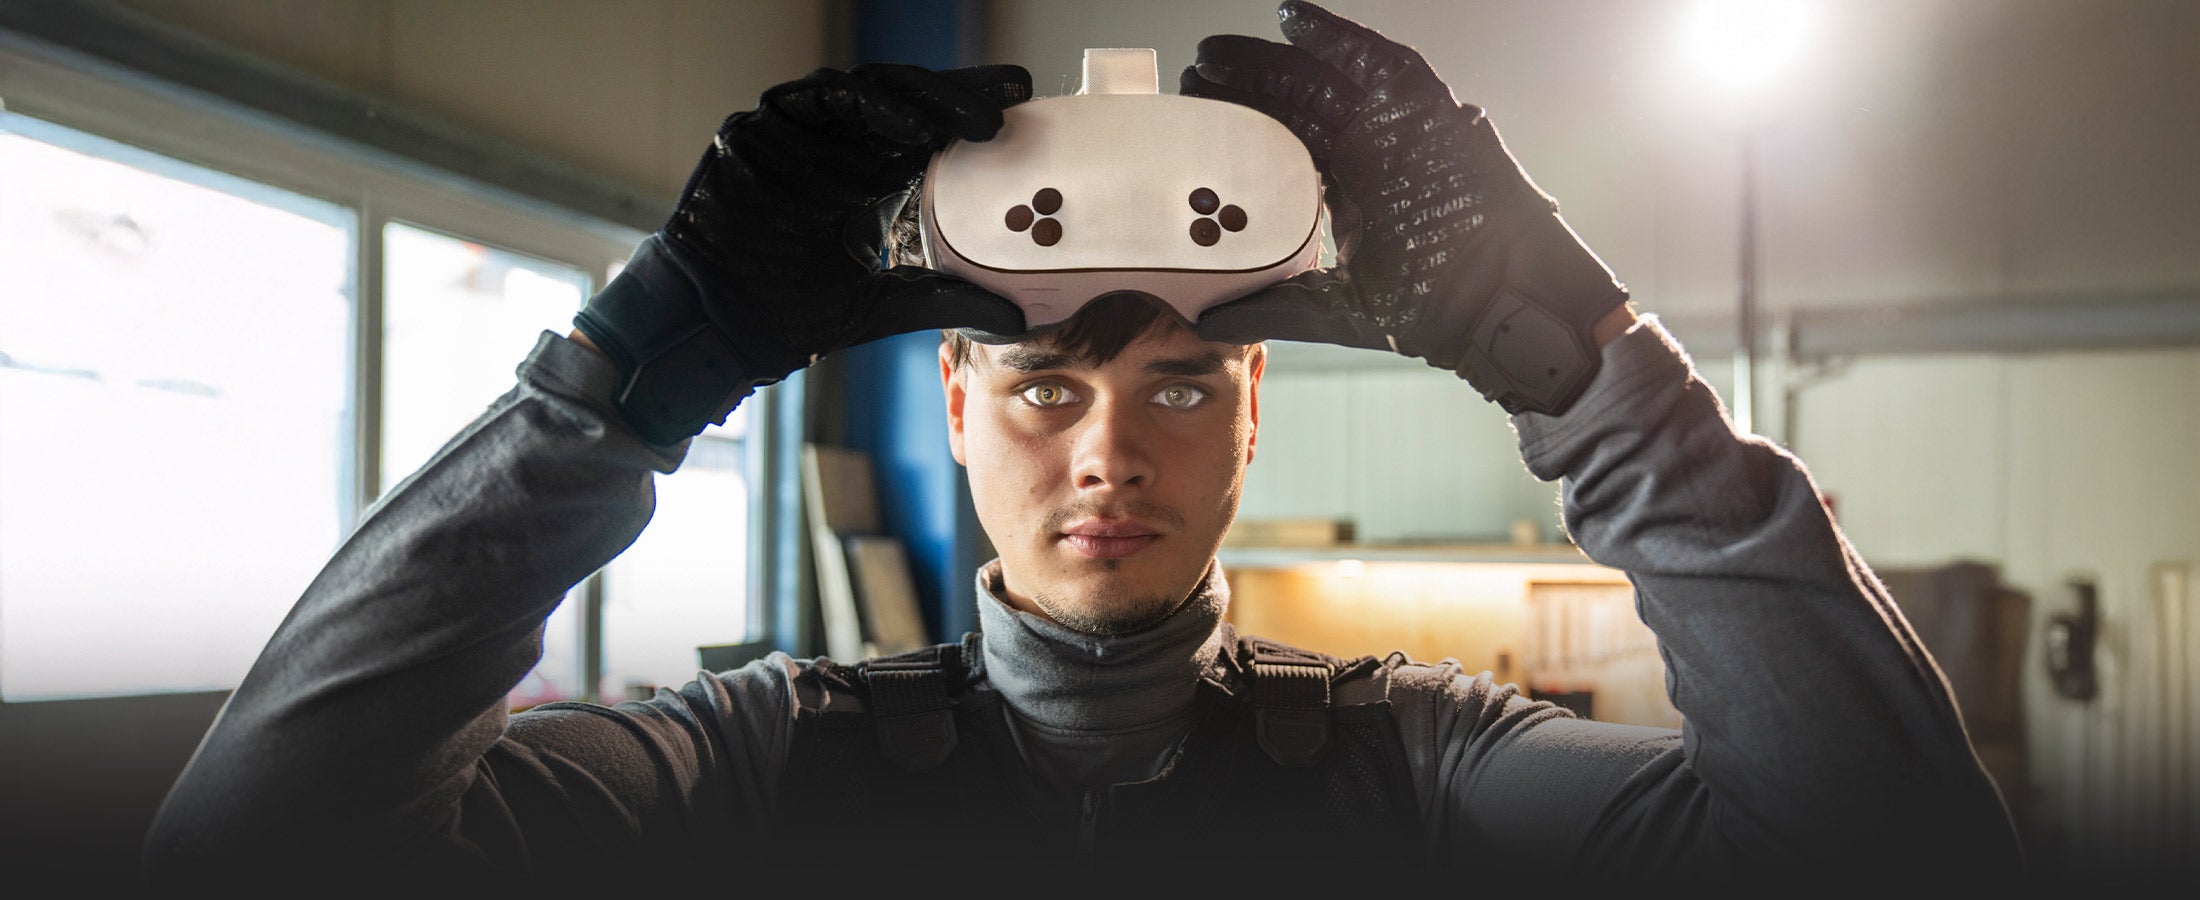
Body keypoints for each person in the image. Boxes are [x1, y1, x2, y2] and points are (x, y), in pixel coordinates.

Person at [143, 1, 2022, 889]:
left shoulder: (1423, 762)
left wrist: (1579, 358)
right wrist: (634, 371)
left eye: (1181, 388)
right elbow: (247, 852)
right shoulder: (752, 759)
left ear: (1253, 416)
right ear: (959, 410)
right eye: (1043, 389)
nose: (1106, 450)